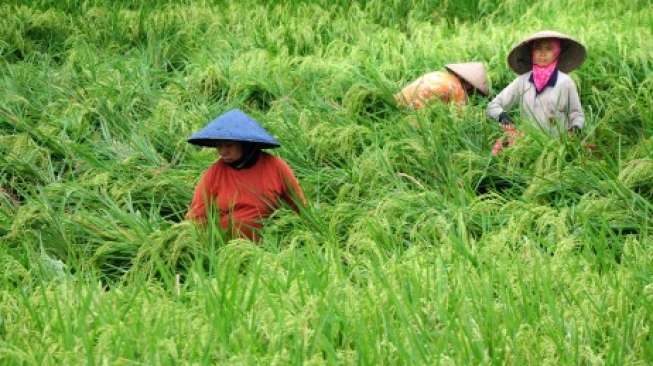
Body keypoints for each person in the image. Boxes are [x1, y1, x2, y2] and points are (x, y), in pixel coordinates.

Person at [186, 109, 306, 240]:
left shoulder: (276, 167)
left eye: (229, 145)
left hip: (269, 245)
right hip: (227, 247)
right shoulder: (214, 173)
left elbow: (299, 207)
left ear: (246, 145)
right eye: (219, 146)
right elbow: (197, 215)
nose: (222, 152)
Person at [487, 30, 587, 155]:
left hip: (558, 146)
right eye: (538, 48)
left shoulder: (565, 82)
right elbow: (493, 105)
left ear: (557, 52)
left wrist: (575, 128)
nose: (542, 54)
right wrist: (503, 117)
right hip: (528, 143)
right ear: (532, 52)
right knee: (498, 153)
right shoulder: (522, 81)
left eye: (549, 49)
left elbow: (577, 114)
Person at [394, 62, 489, 109]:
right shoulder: (457, 89)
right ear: (469, 85)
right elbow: (460, 117)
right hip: (414, 113)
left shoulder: (438, 74)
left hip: (398, 100)